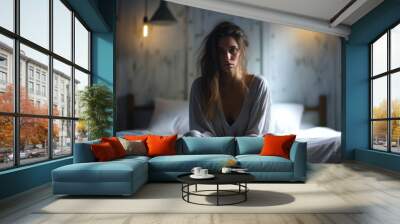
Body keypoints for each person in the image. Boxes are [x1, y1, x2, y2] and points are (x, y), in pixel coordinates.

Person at [187, 21, 271, 137]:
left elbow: (256, 135)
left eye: (233, 50)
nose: (227, 57)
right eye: (220, 52)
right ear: (214, 54)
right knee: (192, 135)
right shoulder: (200, 87)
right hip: (212, 151)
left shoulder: (258, 86)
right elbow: (200, 134)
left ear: (241, 51)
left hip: (248, 152)